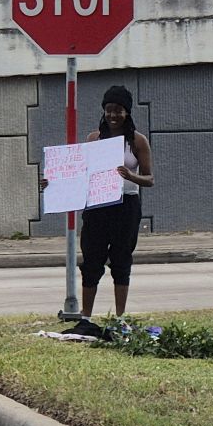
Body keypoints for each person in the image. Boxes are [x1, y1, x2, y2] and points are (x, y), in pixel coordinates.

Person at [79, 84, 153, 318]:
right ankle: (86, 315)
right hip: (98, 207)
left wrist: (131, 176)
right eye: (109, 109)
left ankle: (119, 317)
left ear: (127, 112)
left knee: (121, 260)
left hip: (126, 206)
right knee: (92, 260)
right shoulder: (94, 138)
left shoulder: (137, 141)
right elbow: (80, 172)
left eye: (118, 110)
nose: (113, 115)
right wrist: (52, 184)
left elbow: (149, 179)